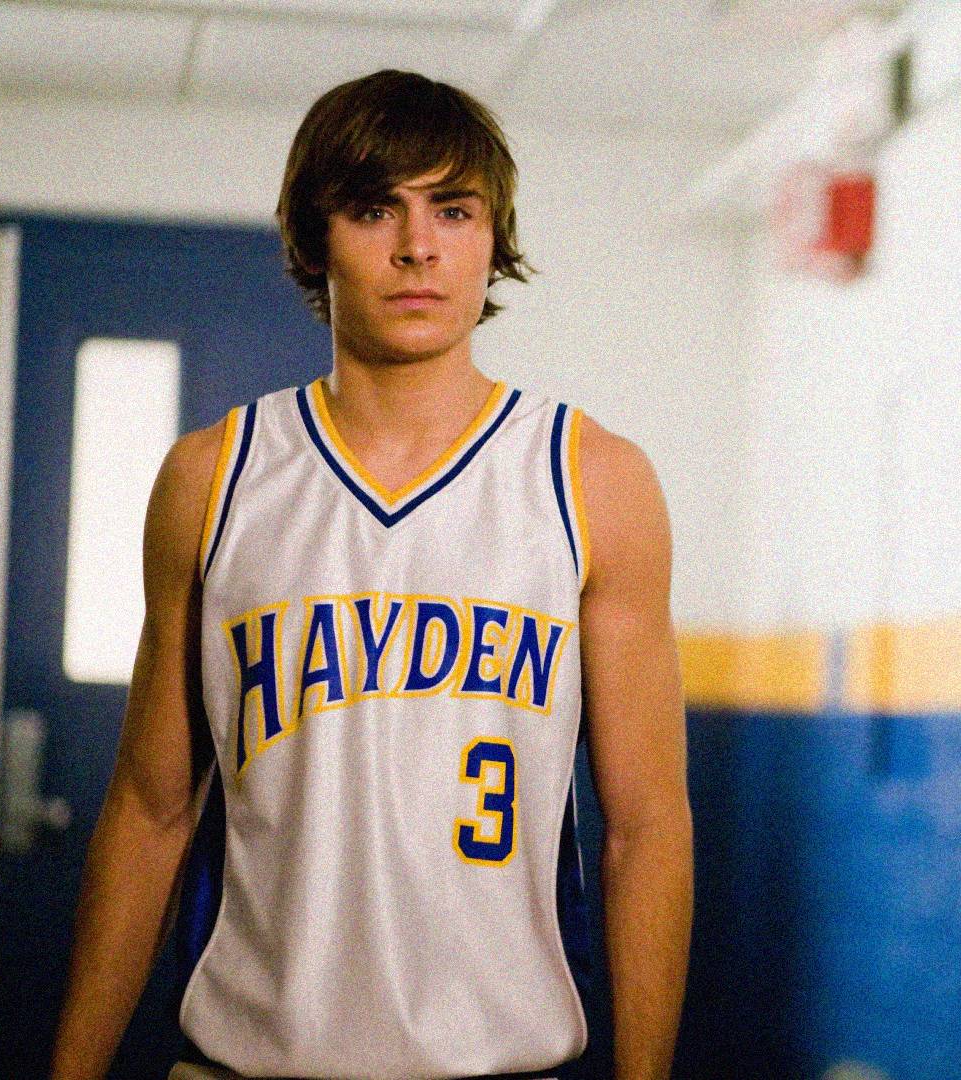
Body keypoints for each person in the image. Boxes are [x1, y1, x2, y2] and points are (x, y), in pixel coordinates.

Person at [50, 69, 693, 1080]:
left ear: (493, 238)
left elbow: (648, 827)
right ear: (315, 240)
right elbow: (150, 807)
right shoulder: (213, 477)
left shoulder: (592, 481)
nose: (417, 246)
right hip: (248, 1061)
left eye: (453, 209)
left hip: (501, 1059)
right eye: (371, 209)